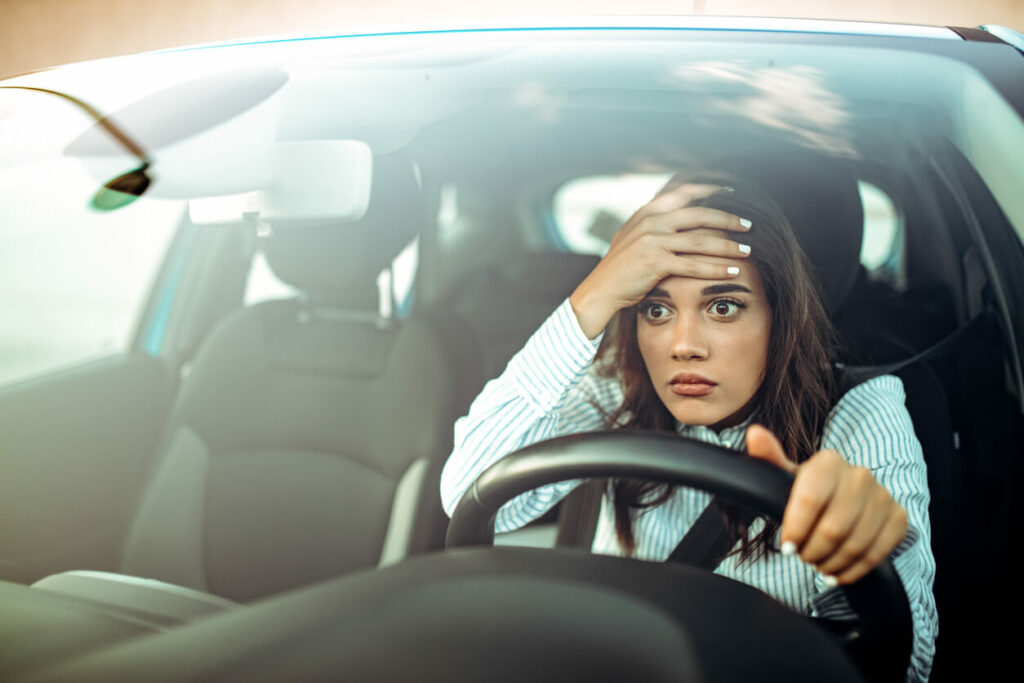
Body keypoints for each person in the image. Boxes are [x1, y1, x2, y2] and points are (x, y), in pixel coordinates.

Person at [440, 176, 937, 681]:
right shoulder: (618, 388)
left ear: (780, 316)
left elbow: (909, 667)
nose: (683, 345)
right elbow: (468, 493)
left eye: (723, 306)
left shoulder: (861, 413)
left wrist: (860, 559)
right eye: (656, 309)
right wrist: (591, 297)